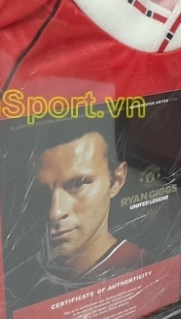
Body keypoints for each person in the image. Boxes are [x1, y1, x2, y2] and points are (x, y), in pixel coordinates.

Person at [32, 118, 148, 284]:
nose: (55, 212)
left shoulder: (139, 265)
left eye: (78, 184)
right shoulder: (35, 278)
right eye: (42, 191)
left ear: (116, 180)